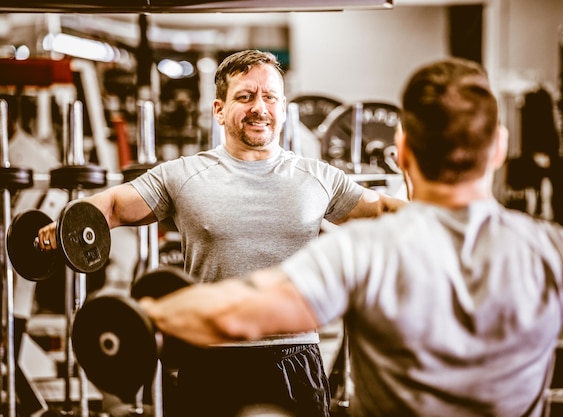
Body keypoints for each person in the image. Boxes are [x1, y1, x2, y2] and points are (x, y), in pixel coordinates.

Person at [136, 57, 563, 417]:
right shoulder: (559, 253)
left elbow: (243, 313)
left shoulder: (361, 253)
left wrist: (149, 317)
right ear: (499, 147)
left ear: (403, 148)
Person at [37, 49, 405, 417]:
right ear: (219, 110)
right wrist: (66, 225)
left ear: (282, 106)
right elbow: (115, 205)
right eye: (245, 97)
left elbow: (382, 210)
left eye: (270, 97)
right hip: (210, 357)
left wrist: (450, 216)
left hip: (294, 357)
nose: (259, 108)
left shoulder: (318, 177)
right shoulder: (183, 175)